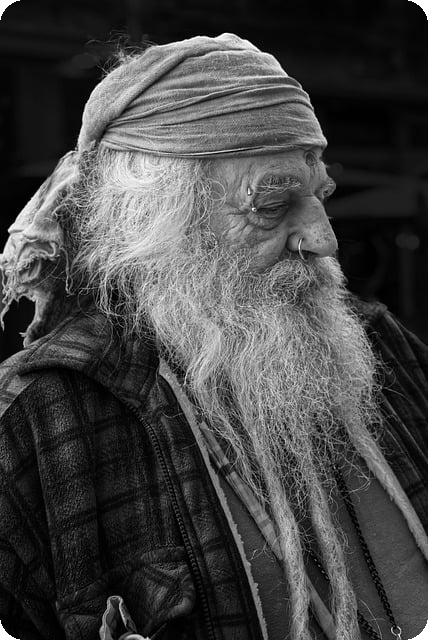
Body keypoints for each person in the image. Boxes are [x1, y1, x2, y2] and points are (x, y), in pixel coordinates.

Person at [0, 33, 427, 640]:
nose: (325, 240)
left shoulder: (384, 347)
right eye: (272, 205)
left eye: (319, 197)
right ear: (157, 225)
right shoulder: (39, 425)